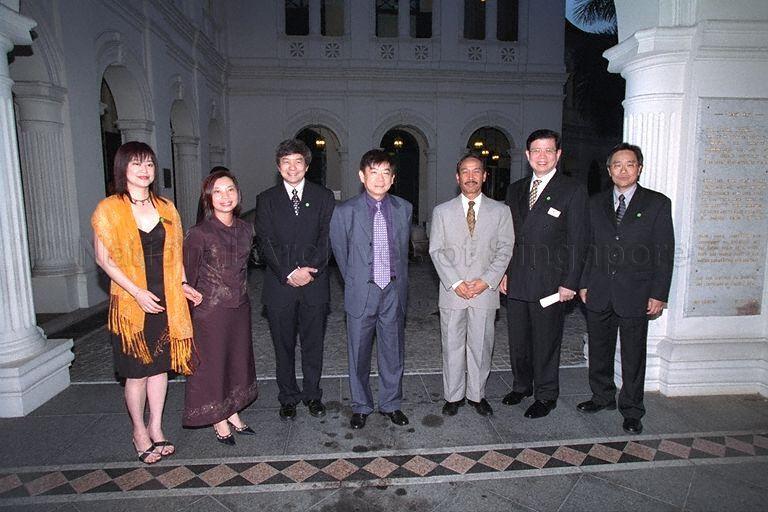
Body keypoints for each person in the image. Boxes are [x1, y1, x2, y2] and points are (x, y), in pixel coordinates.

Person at [92, 141, 200, 464]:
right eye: (137, 164)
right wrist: (136, 292)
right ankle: (139, 430)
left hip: (166, 299)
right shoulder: (109, 209)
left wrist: (182, 284)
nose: (145, 170)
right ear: (123, 168)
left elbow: (176, 252)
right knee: (136, 372)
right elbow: (104, 260)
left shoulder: (166, 207)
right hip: (131, 303)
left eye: (150, 165)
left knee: (159, 368)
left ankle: (157, 427)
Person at [577, 143, 674, 435]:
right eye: (617, 165)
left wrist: (659, 294)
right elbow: (585, 247)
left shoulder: (657, 203)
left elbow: (664, 251)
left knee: (633, 355)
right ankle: (602, 396)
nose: (623, 170)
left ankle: (632, 410)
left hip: (636, 292)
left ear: (639, 168)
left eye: (629, 164)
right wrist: (582, 283)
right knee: (599, 349)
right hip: (598, 290)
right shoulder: (595, 203)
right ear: (609, 170)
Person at [500, 129, 588, 419]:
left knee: (546, 341)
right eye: (536, 151)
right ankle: (522, 385)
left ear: (558, 155)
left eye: (548, 150)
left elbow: (578, 240)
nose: (541, 156)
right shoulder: (515, 189)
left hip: (551, 283)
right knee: (519, 340)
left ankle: (546, 394)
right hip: (517, 278)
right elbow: (508, 237)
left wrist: (570, 282)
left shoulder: (572, 189)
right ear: (527, 155)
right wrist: (503, 273)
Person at [330, 149, 412, 429]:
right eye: (373, 172)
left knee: (393, 351)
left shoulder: (404, 209)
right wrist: (355, 282)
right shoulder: (344, 211)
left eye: (385, 173)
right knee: (359, 352)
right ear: (362, 176)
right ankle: (361, 406)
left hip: (393, 291)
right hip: (361, 292)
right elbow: (340, 254)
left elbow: (402, 252)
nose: (379, 179)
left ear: (393, 178)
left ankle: (391, 403)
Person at [255, 139, 335, 421]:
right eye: (286, 162)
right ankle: (287, 396)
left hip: (315, 285)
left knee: (313, 345)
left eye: (298, 161)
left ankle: (313, 395)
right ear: (279, 167)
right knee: (283, 346)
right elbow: (266, 242)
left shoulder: (323, 196)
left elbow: (328, 238)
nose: (292, 167)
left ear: (307, 165)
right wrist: (289, 272)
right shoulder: (266, 199)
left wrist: (309, 270)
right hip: (280, 287)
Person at [429, 154, 514, 417]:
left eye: (476, 171)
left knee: (481, 344)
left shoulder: (501, 211)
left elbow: (505, 248)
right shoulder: (442, 212)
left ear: (485, 176)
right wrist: (455, 283)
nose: (470, 176)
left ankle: (477, 395)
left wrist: (486, 281)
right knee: (452, 344)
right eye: (464, 172)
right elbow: (436, 250)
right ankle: (453, 396)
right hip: (452, 292)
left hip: (484, 292)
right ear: (457, 177)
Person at [183, 169, 259, 445]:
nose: (225, 197)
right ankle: (218, 417)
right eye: (218, 191)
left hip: (240, 308)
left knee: (237, 360)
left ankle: (233, 410)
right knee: (213, 365)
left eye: (230, 190)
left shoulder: (246, 229)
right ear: (208, 198)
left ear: (238, 194)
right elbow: (188, 279)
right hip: (210, 312)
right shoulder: (198, 234)